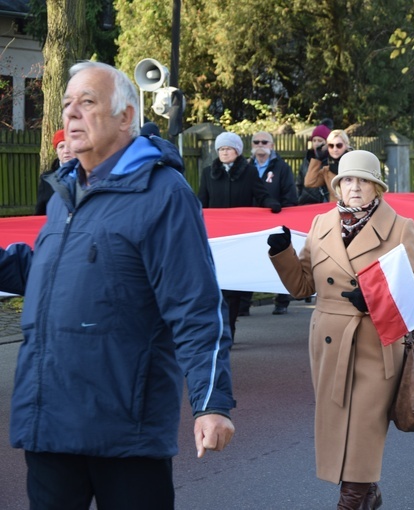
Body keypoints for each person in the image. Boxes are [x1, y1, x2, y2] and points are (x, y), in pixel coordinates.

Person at [0, 61, 235, 509]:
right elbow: (46, 275)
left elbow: (195, 305)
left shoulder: (163, 193)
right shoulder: (65, 192)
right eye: (67, 104)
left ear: (126, 117)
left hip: (125, 431)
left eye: (87, 103)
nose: (71, 114)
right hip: (48, 425)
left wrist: (211, 402)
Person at [267, 150, 414, 509]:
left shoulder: (401, 227)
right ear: (338, 186)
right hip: (328, 340)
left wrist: (373, 299)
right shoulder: (322, 223)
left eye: (363, 180)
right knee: (337, 422)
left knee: (364, 425)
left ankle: (352, 500)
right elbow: (302, 287)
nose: (354, 188)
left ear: (377, 187)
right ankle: (367, 493)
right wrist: (283, 255)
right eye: (347, 180)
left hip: (378, 342)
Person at [198, 131, 281, 341]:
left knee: (232, 289)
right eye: (221, 149)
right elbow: (202, 202)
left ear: (237, 151)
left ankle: (229, 330)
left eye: (228, 148)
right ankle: (216, 328)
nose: (225, 152)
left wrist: (271, 204)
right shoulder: (208, 173)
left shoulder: (250, 172)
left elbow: (261, 195)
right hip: (216, 238)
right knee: (216, 286)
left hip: (238, 236)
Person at [249, 130, 299, 315]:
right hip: (253, 222)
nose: (260, 145)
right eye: (256, 142)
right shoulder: (247, 167)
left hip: (276, 219)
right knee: (252, 260)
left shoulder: (282, 168)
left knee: (279, 259)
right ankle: (244, 301)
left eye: (264, 141)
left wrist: (282, 214)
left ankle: (282, 299)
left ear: (272, 145)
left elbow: (290, 194)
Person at [304, 128, 352, 202]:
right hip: (334, 209)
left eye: (339, 145)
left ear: (346, 145)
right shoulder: (327, 170)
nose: (335, 149)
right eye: (331, 146)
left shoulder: (354, 165)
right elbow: (309, 182)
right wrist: (317, 159)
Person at [34, 129, 73, 215]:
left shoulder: (88, 176)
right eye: (61, 147)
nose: (66, 151)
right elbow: (40, 212)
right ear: (56, 151)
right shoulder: (47, 179)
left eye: (70, 146)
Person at [297, 123, 332, 204]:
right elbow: (299, 182)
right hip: (305, 204)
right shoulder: (307, 158)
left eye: (320, 141)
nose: (316, 143)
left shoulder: (331, 160)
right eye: (314, 140)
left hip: (323, 204)